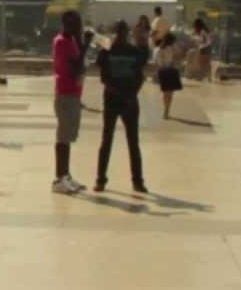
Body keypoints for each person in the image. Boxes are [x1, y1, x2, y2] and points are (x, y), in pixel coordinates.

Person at [94, 21, 148, 194]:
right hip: (114, 100)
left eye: (123, 33)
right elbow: (104, 78)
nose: (121, 36)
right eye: (119, 33)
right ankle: (101, 179)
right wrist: (123, 94)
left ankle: (137, 181)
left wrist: (131, 96)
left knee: (133, 143)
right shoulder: (106, 51)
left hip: (128, 101)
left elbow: (140, 77)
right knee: (107, 140)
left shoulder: (134, 52)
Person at [52, 10, 87, 195]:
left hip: (73, 94)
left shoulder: (72, 41)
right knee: (63, 136)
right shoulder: (61, 42)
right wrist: (84, 48)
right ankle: (59, 178)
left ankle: (66, 175)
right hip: (65, 93)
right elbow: (72, 69)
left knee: (69, 136)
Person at [157, 32, 184, 119]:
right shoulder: (174, 47)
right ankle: (167, 110)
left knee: (165, 92)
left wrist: (163, 66)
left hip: (163, 71)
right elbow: (180, 56)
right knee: (170, 93)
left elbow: (159, 61)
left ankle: (165, 111)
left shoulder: (160, 48)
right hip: (172, 70)